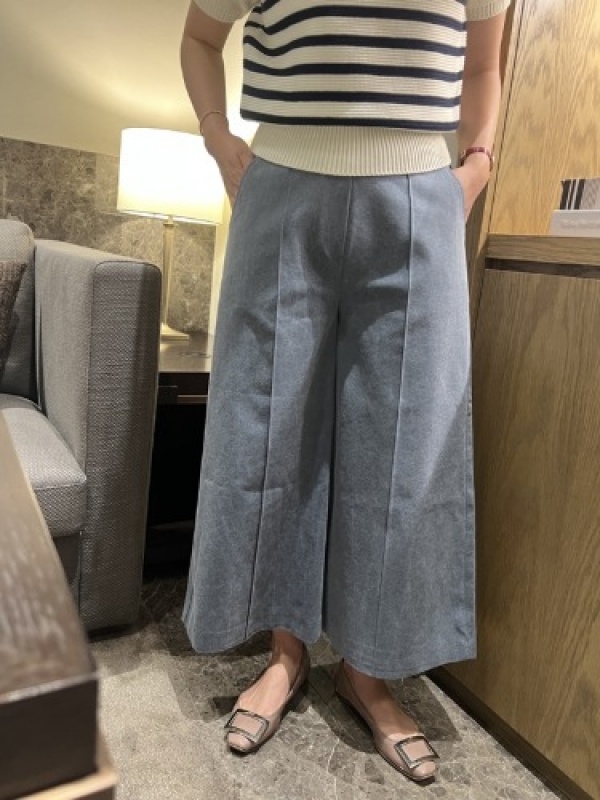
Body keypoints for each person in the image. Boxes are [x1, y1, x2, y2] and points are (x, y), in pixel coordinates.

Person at [180, 0, 509, 783]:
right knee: (269, 426)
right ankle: (285, 654)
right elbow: (199, 37)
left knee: (408, 440)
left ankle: (369, 669)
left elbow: (483, 63)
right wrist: (219, 139)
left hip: (420, 193)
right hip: (282, 187)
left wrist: (478, 162)